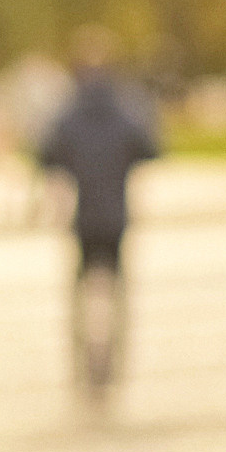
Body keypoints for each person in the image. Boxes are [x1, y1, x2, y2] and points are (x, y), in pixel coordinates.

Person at [37, 25, 161, 408]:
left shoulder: (69, 113)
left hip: (83, 219)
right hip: (117, 217)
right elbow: (151, 148)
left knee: (79, 294)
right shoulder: (126, 110)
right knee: (118, 293)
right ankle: (114, 366)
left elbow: (46, 154)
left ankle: (83, 366)